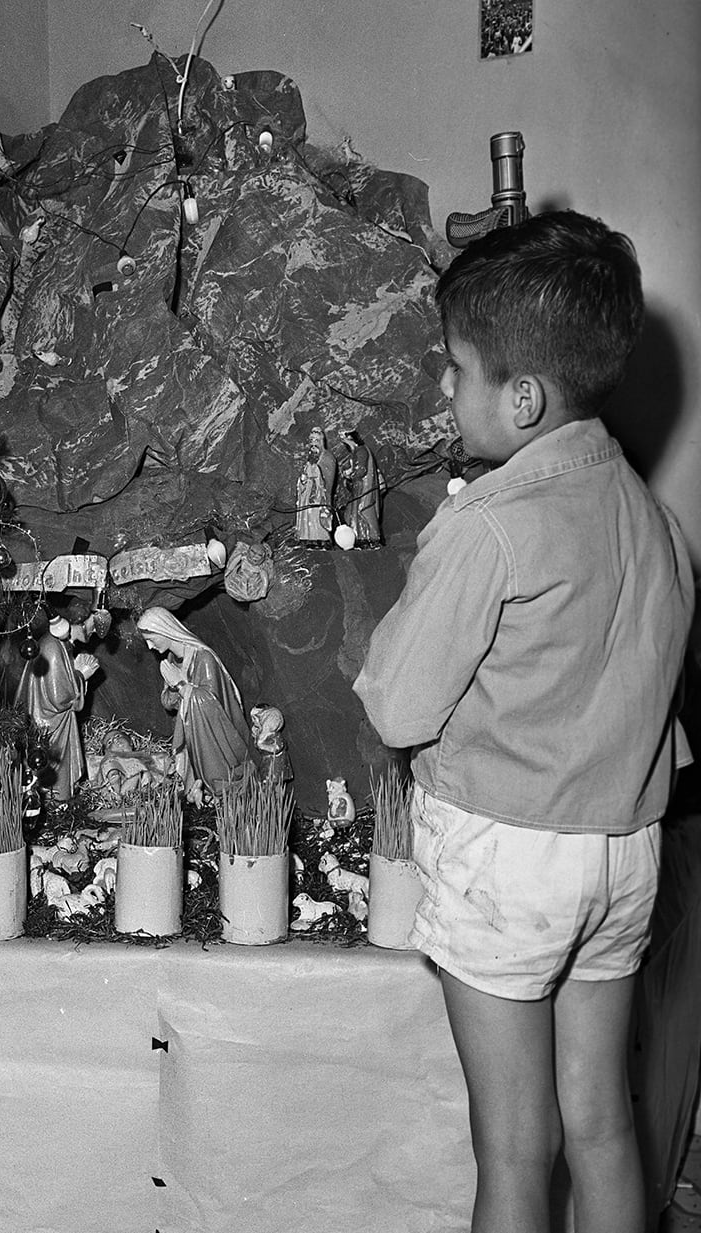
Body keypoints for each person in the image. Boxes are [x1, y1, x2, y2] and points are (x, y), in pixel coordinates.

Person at [353, 210, 693, 1233]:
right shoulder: (654, 519)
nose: (447, 389)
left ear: (524, 396)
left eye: (456, 369)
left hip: (511, 853)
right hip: (624, 852)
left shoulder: (490, 523)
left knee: (512, 1146)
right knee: (600, 1128)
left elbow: (398, 705)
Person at [136, 606, 253, 804]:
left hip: (215, 738)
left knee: (218, 776)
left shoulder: (204, 659)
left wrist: (180, 684)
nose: (149, 646)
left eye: (151, 638)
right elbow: (170, 703)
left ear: (165, 630)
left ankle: (220, 795)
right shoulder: (172, 659)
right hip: (193, 732)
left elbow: (210, 702)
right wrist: (173, 689)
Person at [15, 615, 99, 799]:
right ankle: (55, 804)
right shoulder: (52, 647)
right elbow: (59, 697)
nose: (93, 631)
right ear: (76, 623)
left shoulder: (59, 644)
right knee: (53, 767)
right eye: (91, 624)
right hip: (49, 725)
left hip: (51, 721)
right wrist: (81, 675)